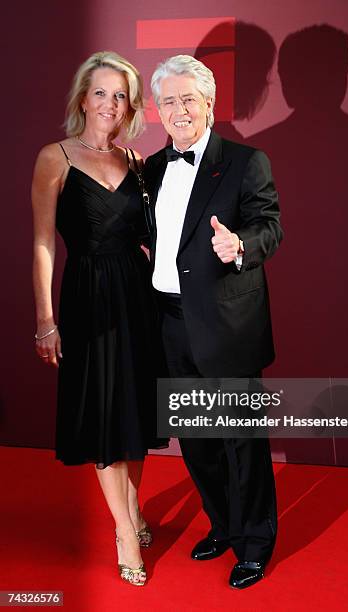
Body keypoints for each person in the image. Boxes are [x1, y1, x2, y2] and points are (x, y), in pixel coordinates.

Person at [144, 55, 283, 589]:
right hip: (170, 322)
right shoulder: (152, 168)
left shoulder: (247, 161)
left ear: (209, 103)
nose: (177, 110)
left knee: (241, 440)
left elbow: (271, 225)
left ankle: (254, 545)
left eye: (187, 99)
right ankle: (223, 526)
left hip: (228, 323)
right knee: (198, 440)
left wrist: (242, 244)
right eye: (168, 101)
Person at [32, 51, 166, 587]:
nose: (110, 103)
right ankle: (125, 532)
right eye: (101, 92)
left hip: (137, 298)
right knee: (105, 414)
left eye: (120, 95)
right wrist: (45, 318)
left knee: (134, 411)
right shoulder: (55, 157)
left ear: (129, 105)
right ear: (82, 99)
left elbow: (150, 239)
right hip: (88, 299)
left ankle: (132, 511)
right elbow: (43, 242)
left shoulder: (136, 162)